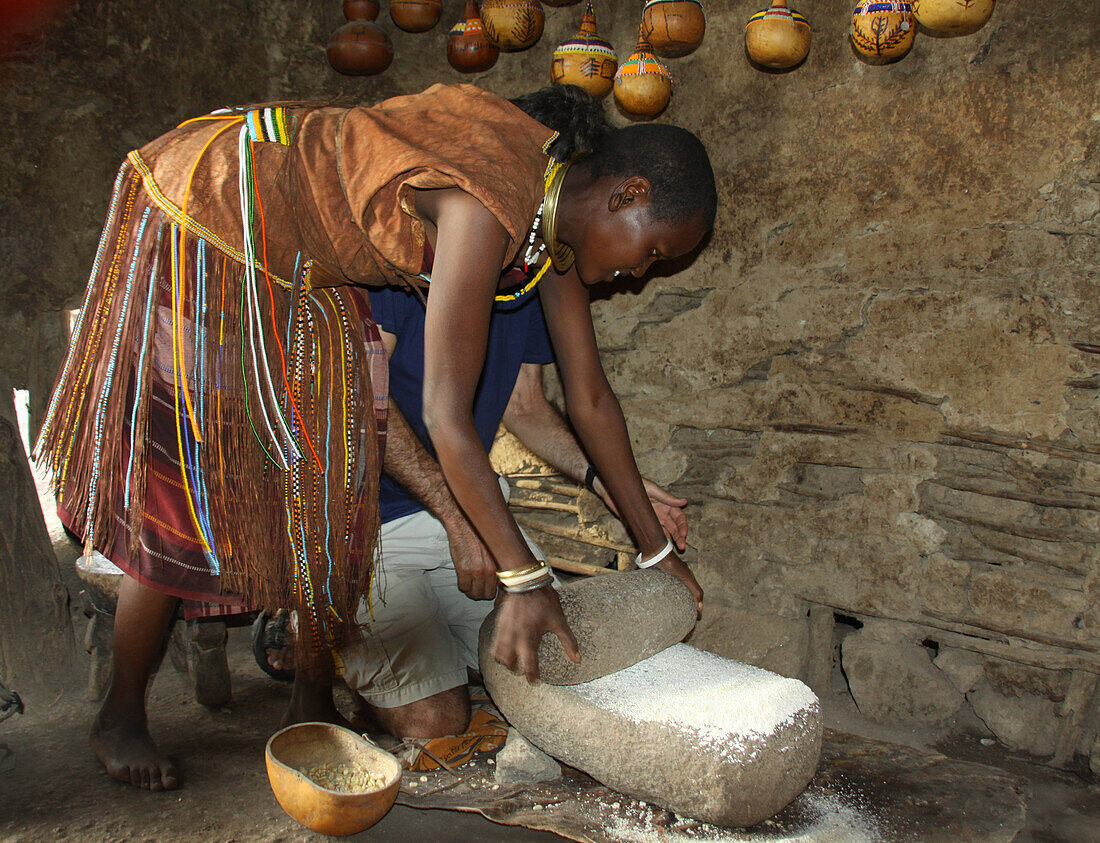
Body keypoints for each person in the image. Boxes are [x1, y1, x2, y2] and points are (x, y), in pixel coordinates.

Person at [35, 82, 715, 791]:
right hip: (213, 214)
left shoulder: (548, 232)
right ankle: (119, 713)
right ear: (626, 193)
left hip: (300, 257)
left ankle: (309, 694)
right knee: (186, 492)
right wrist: (525, 575)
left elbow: (591, 398)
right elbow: (447, 419)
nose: (640, 273)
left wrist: (657, 548)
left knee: (312, 474)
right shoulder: (490, 201)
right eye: (654, 250)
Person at [330, 281, 691, 741]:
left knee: (562, 658)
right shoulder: (398, 272)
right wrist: (458, 518)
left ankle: (437, 645)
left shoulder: (532, 287)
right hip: (368, 528)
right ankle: (324, 625)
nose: (635, 270)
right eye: (648, 251)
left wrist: (606, 482)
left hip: (473, 518)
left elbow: (525, 405)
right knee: (436, 726)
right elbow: (362, 399)